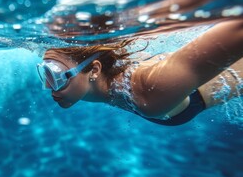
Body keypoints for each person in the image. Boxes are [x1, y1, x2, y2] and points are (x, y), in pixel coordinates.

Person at [37, 19, 243, 126]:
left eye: (55, 75)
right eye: (44, 72)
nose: (48, 87)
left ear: (94, 70)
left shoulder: (148, 92)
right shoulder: (92, 85)